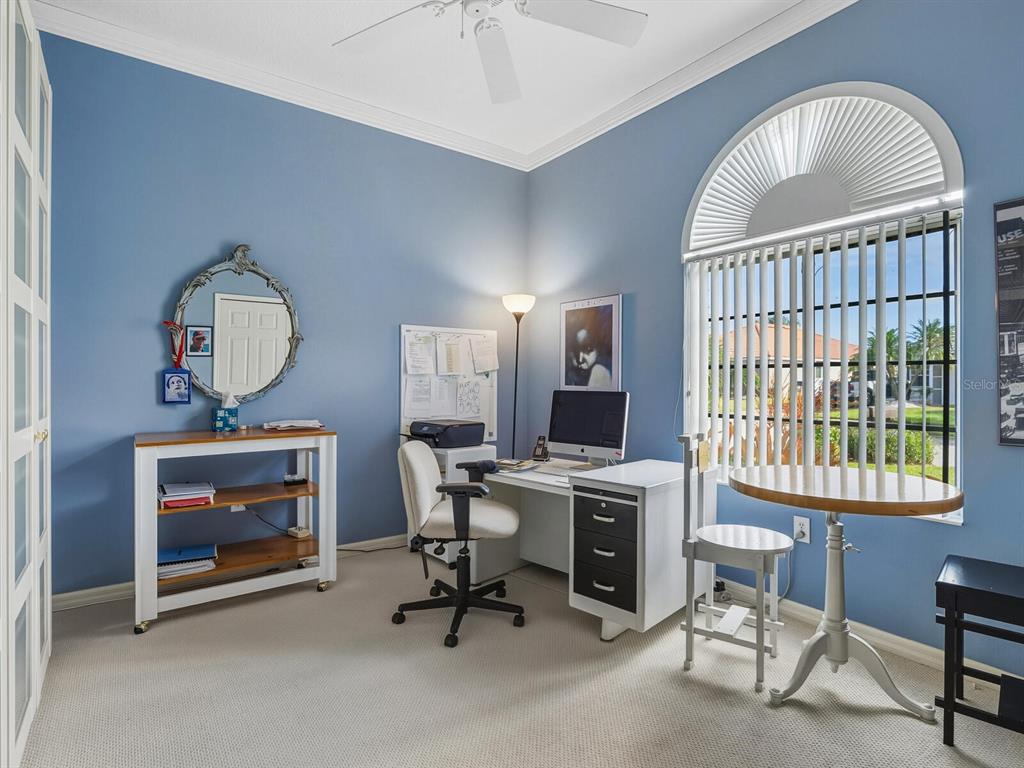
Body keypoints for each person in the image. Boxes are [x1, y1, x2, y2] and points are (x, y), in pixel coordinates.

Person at [565, 306, 613, 388]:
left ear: (597, 349)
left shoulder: (599, 371)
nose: (580, 358)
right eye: (576, 351)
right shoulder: (572, 374)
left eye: (587, 349)